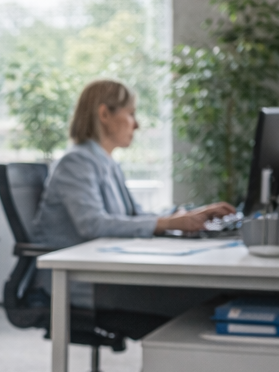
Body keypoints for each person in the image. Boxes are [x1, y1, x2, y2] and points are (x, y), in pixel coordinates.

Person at [33, 79, 236, 331]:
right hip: (80, 284)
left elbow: (135, 215)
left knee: (208, 297)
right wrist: (169, 223)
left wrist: (184, 215)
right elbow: (93, 224)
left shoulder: (106, 163)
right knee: (205, 302)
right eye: (130, 114)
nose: (136, 124)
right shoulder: (76, 163)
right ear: (104, 114)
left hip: (106, 275)